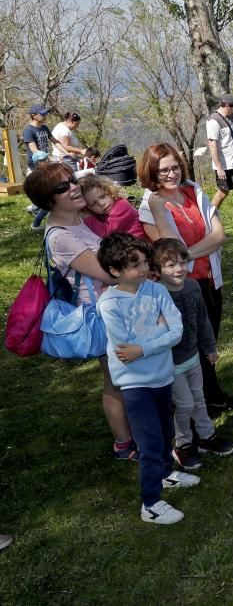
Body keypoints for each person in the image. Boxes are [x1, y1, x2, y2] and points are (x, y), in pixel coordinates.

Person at [23, 162, 135, 461]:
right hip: (100, 314)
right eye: (62, 187)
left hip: (117, 306)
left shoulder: (78, 219)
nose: (73, 187)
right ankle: (124, 443)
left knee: (126, 375)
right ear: (48, 201)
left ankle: (135, 431)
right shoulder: (60, 235)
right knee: (116, 379)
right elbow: (108, 274)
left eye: (71, 181)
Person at [96, 233, 199, 525]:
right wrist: (158, 334)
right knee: (150, 443)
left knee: (166, 432)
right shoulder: (109, 303)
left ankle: (167, 474)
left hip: (162, 376)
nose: (144, 269)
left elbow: (175, 331)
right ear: (115, 271)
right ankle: (151, 503)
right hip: (135, 383)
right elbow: (124, 347)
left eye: (144, 262)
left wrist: (144, 346)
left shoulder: (156, 291)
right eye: (134, 265)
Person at [138, 143, 233, 416]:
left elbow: (219, 236)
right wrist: (188, 254)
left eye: (175, 167)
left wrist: (185, 255)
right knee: (189, 345)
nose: (171, 174)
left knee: (209, 339)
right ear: (151, 172)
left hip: (208, 278)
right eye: (163, 170)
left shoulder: (193, 191)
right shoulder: (150, 205)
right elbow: (167, 249)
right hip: (182, 286)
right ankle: (197, 405)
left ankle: (211, 394)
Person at [152, 238, 233, 470]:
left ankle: (206, 438)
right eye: (170, 265)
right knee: (185, 404)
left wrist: (209, 347)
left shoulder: (192, 286)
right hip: (171, 363)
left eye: (182, 262)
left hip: (193, 358)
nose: (178, 269)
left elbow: (202, 319)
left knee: (199, 399)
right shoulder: (155, 295)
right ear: (156, 270)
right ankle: (183, 444)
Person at [206, 93, 233, 209]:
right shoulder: (213, 121)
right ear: (227, 106)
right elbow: (212, 145)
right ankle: (209, 218)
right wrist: (219, 168)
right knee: (223, 193)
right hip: (225, 165)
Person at [79, 174, 147, 239]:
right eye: (93, 203)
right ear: (87, 208)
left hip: (138, 246)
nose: (101, 203)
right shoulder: (102, 212)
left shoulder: (122, 206)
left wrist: (88, 217)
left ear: (109, 191)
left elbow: (105, 232)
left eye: (102, 196)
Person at [23, 104, 52, 173]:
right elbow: (34, 149)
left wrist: (66, 152)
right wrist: (48, 158)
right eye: (42, 114)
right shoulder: (28, 130)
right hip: (35, 164)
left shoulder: (45, 128)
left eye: (45, 113)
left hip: (46, 162)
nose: (45, 115)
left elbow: (55, 141)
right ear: (33, 115)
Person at [28, 151, 51, 231]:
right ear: (37, 163)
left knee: (46, 210)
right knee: (44, 211)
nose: (47, 160)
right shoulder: (38, 173)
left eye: (46, 158)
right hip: (44, 195)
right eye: (43, 160)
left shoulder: (46, 170)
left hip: (48, 194)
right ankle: (35, 226)